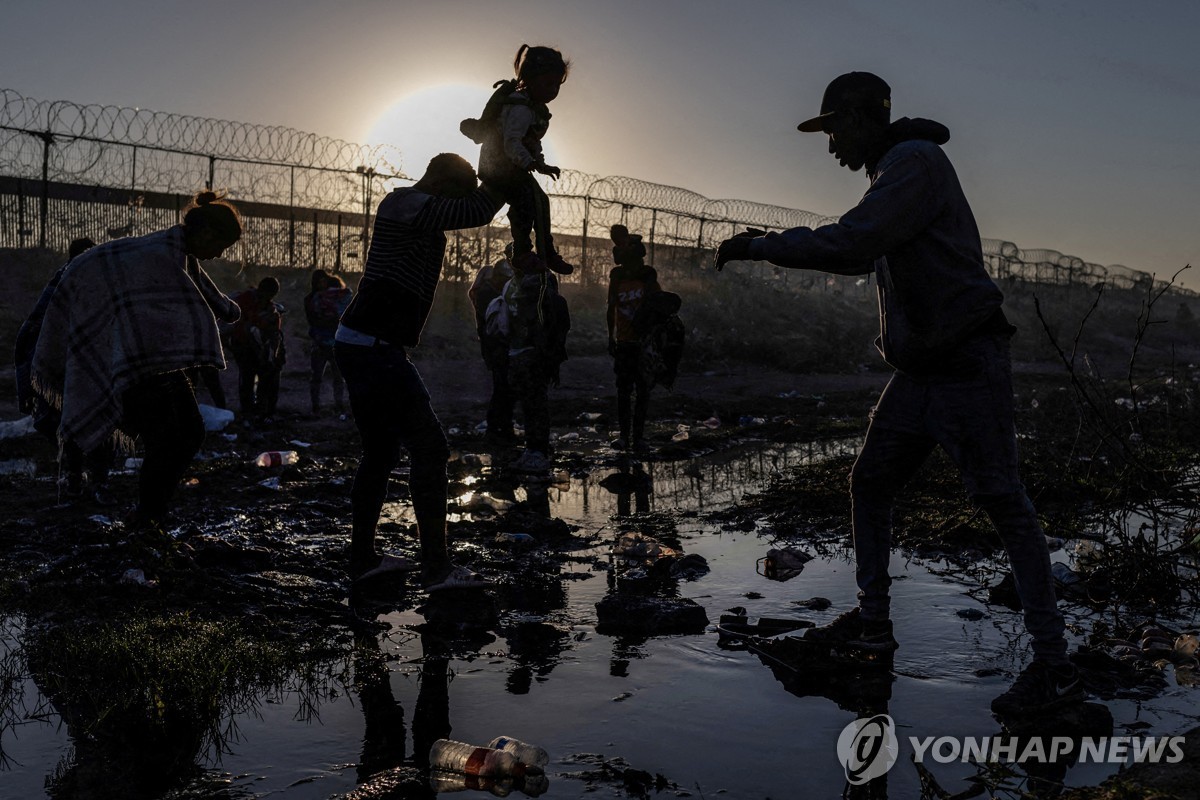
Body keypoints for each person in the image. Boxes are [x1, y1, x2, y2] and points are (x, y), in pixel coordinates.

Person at [714, 71, 1079, 716]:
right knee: (872, 482)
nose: (830, 147)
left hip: (965, 362)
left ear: (860, 118)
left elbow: (855, 241)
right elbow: (859, 254)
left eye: (833, 131)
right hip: (922, 373)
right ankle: (874, 625)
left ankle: (1056, 666)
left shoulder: (915, 164)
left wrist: (760, 245)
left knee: (1004, 501)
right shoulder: (893, 173)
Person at [334, 152, 504, 590]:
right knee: (429, 450)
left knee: (381, 454)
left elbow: (474, 209)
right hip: (373, 348)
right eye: (456, 193)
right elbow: (480, 209)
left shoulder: (419, 212)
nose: (456, 205)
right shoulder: (403, 203)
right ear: (442, 183)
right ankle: (435, 569)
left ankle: (364, 559)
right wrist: (506, 163)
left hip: (368, 344)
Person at [31, 190, 242, 530]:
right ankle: (148, 516)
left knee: (184, 433)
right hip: (127, 355)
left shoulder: (175, 254)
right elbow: (171, 314)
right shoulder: (160, 255)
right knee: (174, 435)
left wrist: (228, 310)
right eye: (220, 246)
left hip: (143, 358)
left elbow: (204, 301)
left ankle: (149, 513)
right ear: (205, 233)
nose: (219, 255)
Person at [15, 236, 117, 505]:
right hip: (72, 368)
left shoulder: (83, 282)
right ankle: (85, 479)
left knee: (87, 423)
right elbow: (36, 327)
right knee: (82, 422)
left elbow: (31, 330)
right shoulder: (72, 283)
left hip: (85, 368)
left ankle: (89, 479)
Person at [465, 44, 573, 276]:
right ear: (530, 79)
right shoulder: (521, 108)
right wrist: (529, 163)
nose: (553, 90)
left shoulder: (534, 109)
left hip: (512, 166)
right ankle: (523, 252)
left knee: (540, 201)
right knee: (526, 201)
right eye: (548, 83)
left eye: (557, 85)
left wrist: (540, 163)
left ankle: (546, 251)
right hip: (499, 166)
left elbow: (531, 141)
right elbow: (512, 141)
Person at [503, 251, 570, 474]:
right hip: (518, 352)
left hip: (532, 353)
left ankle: (538, 453)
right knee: (530, 404)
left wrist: (550, 358)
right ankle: (534, 450)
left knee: (535, 404)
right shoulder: (515, 286)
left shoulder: (543, 294)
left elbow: (553, 330)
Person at [606, 224, 660, 452]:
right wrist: (611, 337)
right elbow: (611, 307)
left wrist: (654, 338)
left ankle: (638, 438)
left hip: (643, 342)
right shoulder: (617, 276)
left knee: (642, 390)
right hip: (625, 342)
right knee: (624, 391)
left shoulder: (648, 276)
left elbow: (658, 306)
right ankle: (624, 436)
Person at [468, 243, 516, 443]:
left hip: (495, 345)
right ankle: (498, 426)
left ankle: (501, 425)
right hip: (495, 345)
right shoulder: (489, 294)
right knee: (503, 386)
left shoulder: (487, 290)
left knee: (504, 386)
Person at [230, 276, 285, 420]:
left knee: (259, 378)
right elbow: (242, 326)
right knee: (248, 378)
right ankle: (249, 412)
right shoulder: (246, 301)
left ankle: (258, 411)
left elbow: (273, 334)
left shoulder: (270, 308)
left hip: (256, 347)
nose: (269, 297)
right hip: (244, 345)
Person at [303, 269, 351, 416]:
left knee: (338, 377)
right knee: (317, 376)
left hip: (334, 343)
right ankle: (316, 406)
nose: (321, 284)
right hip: (320, 342)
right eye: (319, 281)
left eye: (324, 281)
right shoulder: (311, 299)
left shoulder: (333, 296)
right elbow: (313, 321)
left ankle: (339, 405)